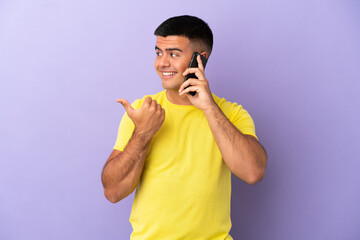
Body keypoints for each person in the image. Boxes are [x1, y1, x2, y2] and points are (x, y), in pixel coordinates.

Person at [101, 15, 267, 240]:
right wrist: (143, 133)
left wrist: (209, 109)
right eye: (159, 52)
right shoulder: (142, 111)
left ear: (200, 59)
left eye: (174, 54)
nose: (162, 63)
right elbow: (112, 192)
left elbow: (253, 172)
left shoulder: (232, 114)